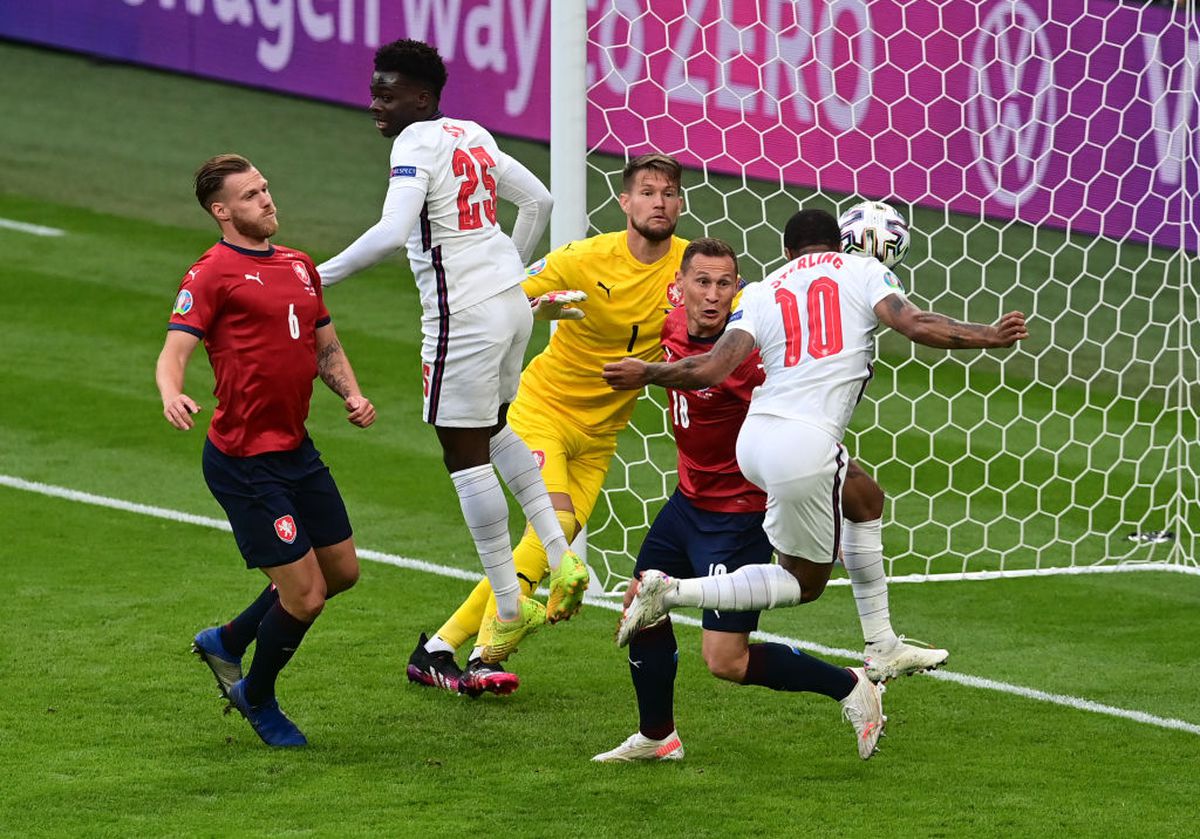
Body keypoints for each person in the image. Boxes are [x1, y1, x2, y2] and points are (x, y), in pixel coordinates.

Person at [603, 209, 1028, 646]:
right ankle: (673, 590)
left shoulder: (762, 290)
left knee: (866, 499)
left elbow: (712, 366)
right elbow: (914, 324)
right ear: (841, 245)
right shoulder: (865, 269)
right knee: (804, 582)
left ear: (787, 252)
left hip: (753, 445)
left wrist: (647, 372)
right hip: (801, 442)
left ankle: (882, 643)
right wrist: (990, 335)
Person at [316, 39, 587, 663]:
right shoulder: (473, 132)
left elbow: (390, 233)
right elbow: (539, 202)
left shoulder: (414, 144)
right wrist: (509, 271)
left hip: (462, 314)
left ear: (423, 97)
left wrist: (312, 276)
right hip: (509, 303)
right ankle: (562, 555)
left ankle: (510, 608)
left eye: (388, 93)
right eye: (373, 91)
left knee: (462, 454)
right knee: (493, 431)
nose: (375, 104)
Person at [406, 153, 690, 696]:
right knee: (554, 532)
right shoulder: (584, 258)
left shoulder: (687, 266)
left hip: (602, 435)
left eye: (670, 193)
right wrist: (542, 309)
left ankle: (443, 650)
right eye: (648, 192)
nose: (660, 202)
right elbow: (506, 294)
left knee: (539, 548)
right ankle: (485, 656)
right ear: (625, 202)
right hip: (545, 412)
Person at [592, 238, 886, 762]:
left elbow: (804, 440)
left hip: (737, 518)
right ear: (678, 287)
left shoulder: (747, 362)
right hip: (686, 503)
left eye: (724, 284)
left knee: (726, 662)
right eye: (701, 283)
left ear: (738, 289)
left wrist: (834, 495)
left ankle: (851, 685)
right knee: (641, 605)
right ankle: (658, 736)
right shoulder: (671, 325)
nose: (712, 295)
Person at [157, 153, 376, 747]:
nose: (267, 200)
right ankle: (256, 694)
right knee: (304, 595)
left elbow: (325, 346)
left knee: (341, 573)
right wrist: (171, 393)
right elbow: (174, 348)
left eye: (266, 189)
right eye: (251, 195)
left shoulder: (300, 265)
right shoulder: (210, 273)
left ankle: (226, 641)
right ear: (221, 211)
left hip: (295, 450)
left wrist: (351, 394)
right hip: (244, 461)